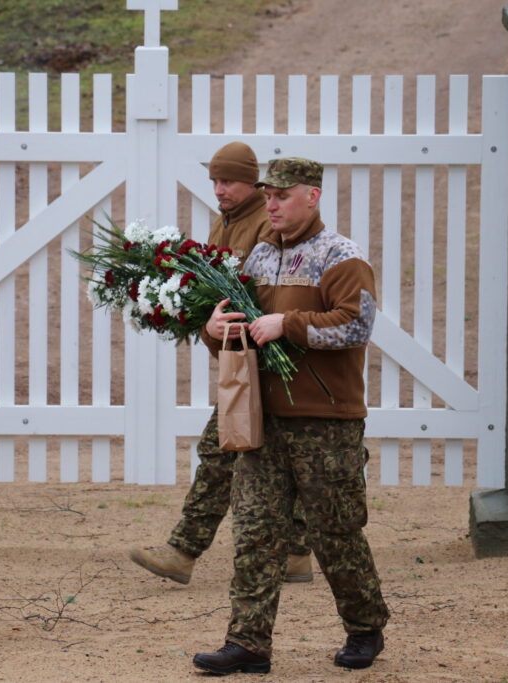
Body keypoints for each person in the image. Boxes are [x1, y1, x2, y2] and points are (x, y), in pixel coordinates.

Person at [191, 159, 390, 675]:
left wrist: (288, 324)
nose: (272, 205)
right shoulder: (259, 256)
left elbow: (356, 326)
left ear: (312, 196)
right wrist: (215, 329)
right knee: (255, 531)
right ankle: (247, 643)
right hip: (265, 419)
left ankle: (364, 627)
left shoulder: (341, 256)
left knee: (335, 531)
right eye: (268, 196)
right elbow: (240, 329)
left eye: (282, 196)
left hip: (326, 422)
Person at [128, 142, 314, 586]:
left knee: (223, 451)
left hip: (269, 359)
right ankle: (294, 553)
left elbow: (262, 292)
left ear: (252, 182)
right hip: (249, 357)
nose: (219, 189)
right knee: (263, 456)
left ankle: (185, 551)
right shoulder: (226, 220)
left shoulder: (266, 224)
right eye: (214, 180)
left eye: (228, 180)